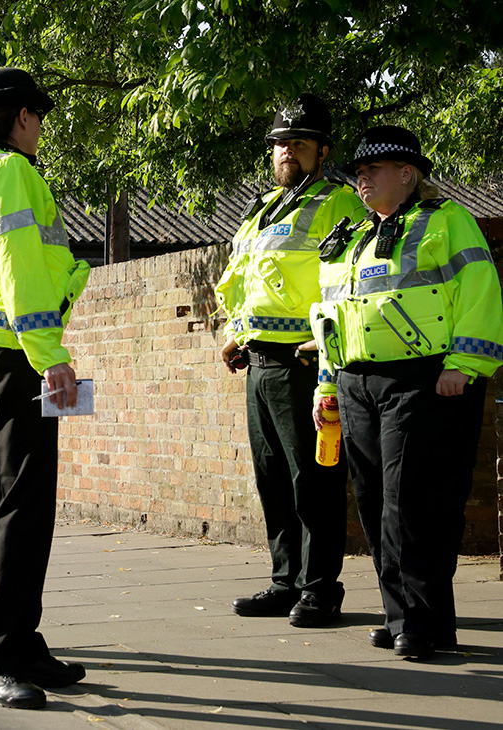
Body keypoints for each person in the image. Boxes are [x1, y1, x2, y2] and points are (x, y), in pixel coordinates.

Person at [310, 125, 503, 660]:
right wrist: (328, 383)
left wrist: (463, 364)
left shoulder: (447, 220)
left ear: (408, 174)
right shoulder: (352, 236)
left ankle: (417, 621)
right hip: (357, 382)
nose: (361, 179)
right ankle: (410, 617)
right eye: (358, 173)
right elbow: (330, 317)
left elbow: (481, 290)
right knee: (374, 504)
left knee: (412, 504)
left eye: (372, 170)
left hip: (425, 379)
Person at [0, 67, 90, 710]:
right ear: (23, 117)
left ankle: (22, 644)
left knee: (16, 505)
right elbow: (18, 264)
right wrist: (50, 352)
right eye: (39, 117)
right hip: (16, 353)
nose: (41, 129)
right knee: (21, 509)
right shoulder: (10, 171)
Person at [214, 94, 362, 628]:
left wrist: (326, 342)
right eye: (280, 144)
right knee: (272, 476)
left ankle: (321, 587)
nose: (286, 153)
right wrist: (234, 334)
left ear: (323, 151)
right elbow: (244, 285)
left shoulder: (338, 203)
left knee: (314, 478)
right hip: (260, 362)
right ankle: (285, 581)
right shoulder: (262, 211)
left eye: (298, 144)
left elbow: (347, 279)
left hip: (306, 363)